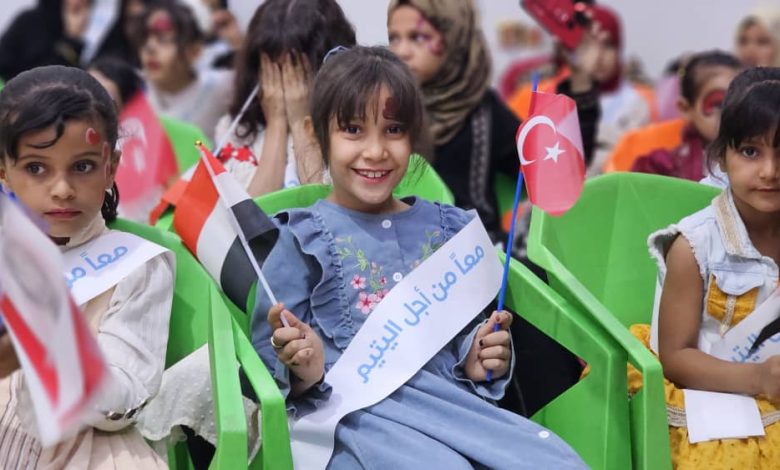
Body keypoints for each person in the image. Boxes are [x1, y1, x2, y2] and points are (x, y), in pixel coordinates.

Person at [250, 45, 586, 469]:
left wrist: (479, 357)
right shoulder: (299, 238)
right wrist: (305, 369)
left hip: (458, 416)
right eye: (353, 130)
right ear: (317, 137)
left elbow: (464, 342)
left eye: (393, 130)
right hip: (355, 426)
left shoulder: (450, 229)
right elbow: (265, 365)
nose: (375, 150)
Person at [0, 65, 174, 468]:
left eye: (82, 167)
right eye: (36, 168)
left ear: (111, 167)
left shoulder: (135, 266)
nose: (62, 189)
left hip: (82, 451)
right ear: (4, 172)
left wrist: (51, 351)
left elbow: (125, 399)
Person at [629, 67, 780, 467]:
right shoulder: (695, 245)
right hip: (714, 401)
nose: (770, 171)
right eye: (751, 152)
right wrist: (759, 378)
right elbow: (676, 356)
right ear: (722, 158)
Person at [215, 0, 356, 196]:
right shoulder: (236, 130)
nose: (288, 85)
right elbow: (251, 210)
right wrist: (277, 123)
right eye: (275, 70)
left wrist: (300, 122)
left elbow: (324, 202)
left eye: (296, 71)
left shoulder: (354, 129)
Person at [632, 51, 741, 182]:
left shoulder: (759, 163)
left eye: (739, 103)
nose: (730, 112)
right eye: (718, 104)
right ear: (686, 108)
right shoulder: (661, 168)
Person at [136, 0, 232, 142]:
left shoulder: (223, 86)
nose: (150, 47)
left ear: (195, 51)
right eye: (145, 38)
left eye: (164, 39)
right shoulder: (132, 90)